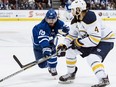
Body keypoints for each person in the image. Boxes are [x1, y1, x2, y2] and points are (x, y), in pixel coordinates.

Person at [57, 0, 115, 86]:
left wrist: (78, 42)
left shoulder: (90, 17)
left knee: (92, 58)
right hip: (89, 40)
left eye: (72, 10)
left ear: (78, 10)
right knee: (70, 52)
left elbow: (95, 40)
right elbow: (72, 35)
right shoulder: (75, 20)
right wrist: (64, 45)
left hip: (105, 40)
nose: (71, 12)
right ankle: (71, 73)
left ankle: (103, 78)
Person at [32, 8, 69, 76]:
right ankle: (48, 64)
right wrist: (46, 49)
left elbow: (66, 34)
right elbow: (43, 39)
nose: (51, 22)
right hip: (38, 45)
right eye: (49, 20)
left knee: (52, 53)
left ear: (56, 18)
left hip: (51, 42)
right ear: (46, 19)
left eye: (53, 20)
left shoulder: (60, 24)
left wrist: (66, 32)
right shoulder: (42, 26)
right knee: (41, 65)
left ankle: (52, 67)